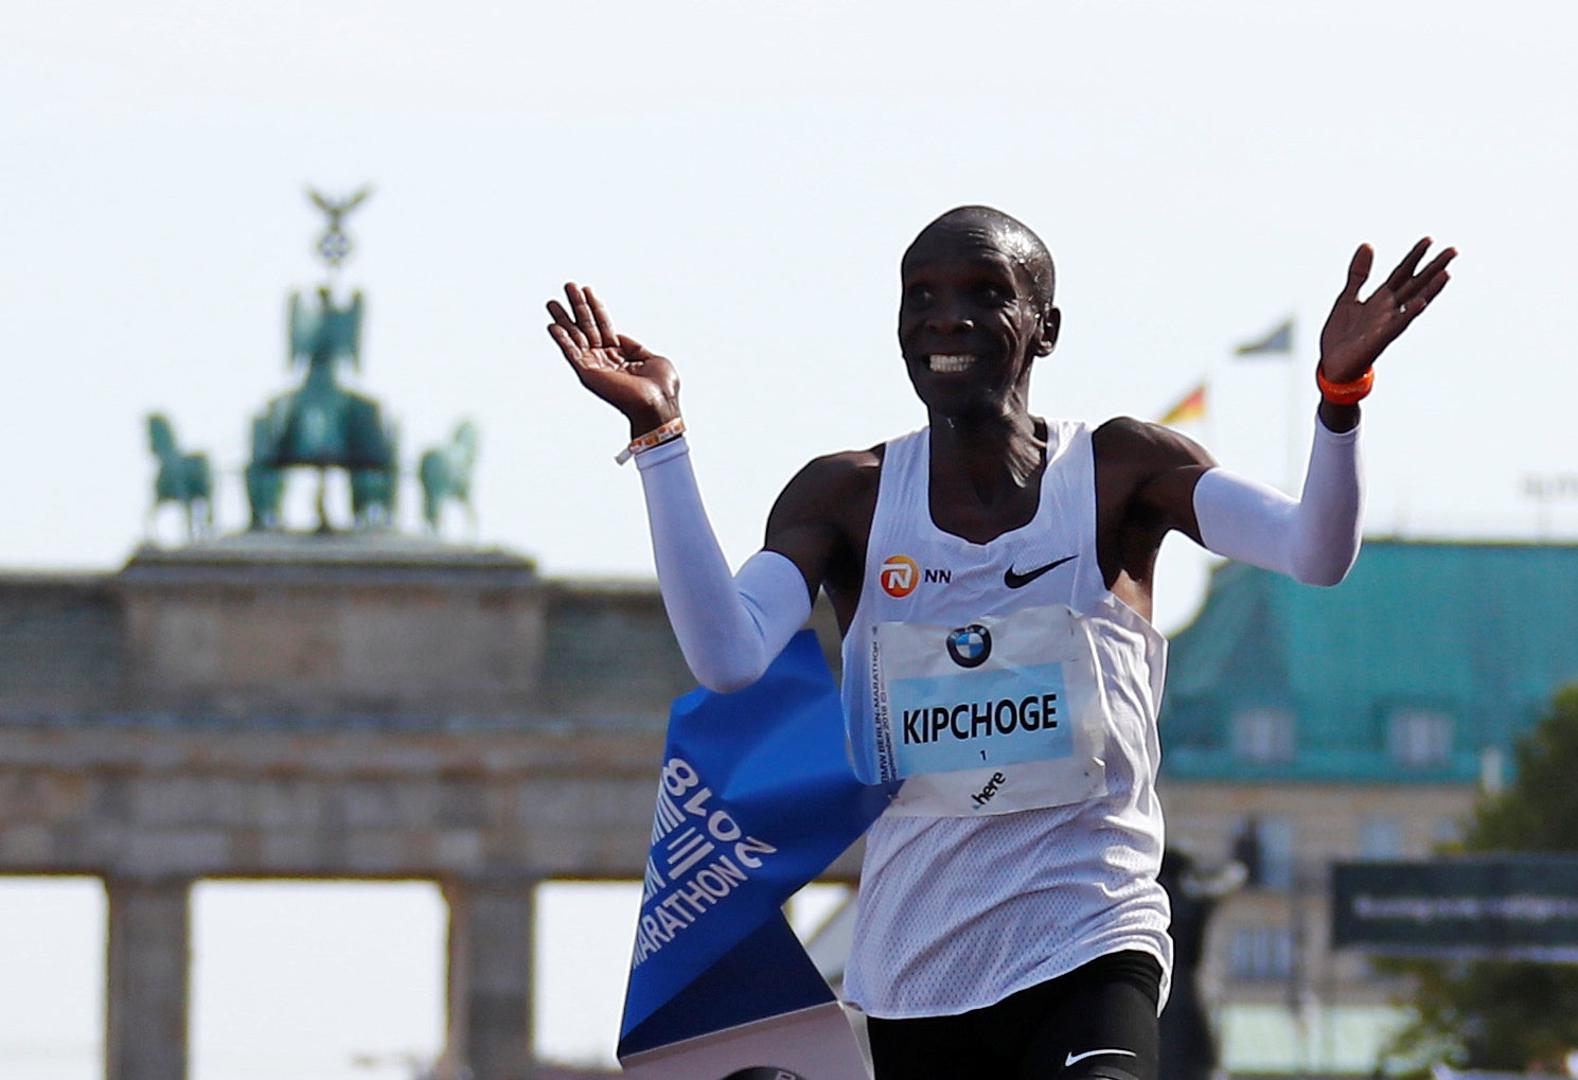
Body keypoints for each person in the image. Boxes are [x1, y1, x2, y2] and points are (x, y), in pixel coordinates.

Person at [546, 207, 1453, 1079]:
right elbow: (728, 654)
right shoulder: (846, 497)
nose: (949, 318)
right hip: (919, 963)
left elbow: (1314, 552)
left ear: (1045, 327)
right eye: (923, 297)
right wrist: (658, 437)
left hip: (1091, 928)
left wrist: (1340, 400)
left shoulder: (1123, 470)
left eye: (986, 294)